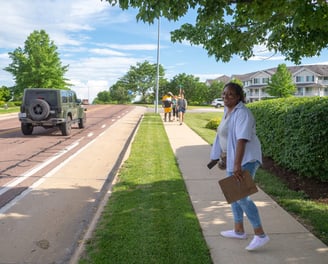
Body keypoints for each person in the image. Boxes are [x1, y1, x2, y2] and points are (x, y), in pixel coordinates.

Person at [210, 82, 270, 251]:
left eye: (230, 94)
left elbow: (241, 139)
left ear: (238, 97)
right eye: (224, 94)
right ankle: (238, 230)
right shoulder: (228, 111)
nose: (226, 97)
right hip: (234, 159)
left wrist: (236, 164)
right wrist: (222, 157)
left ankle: (260, 235)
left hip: (246, 160)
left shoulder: (243, 113)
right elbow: (225, 137)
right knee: (234, 194)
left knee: (242, 195)